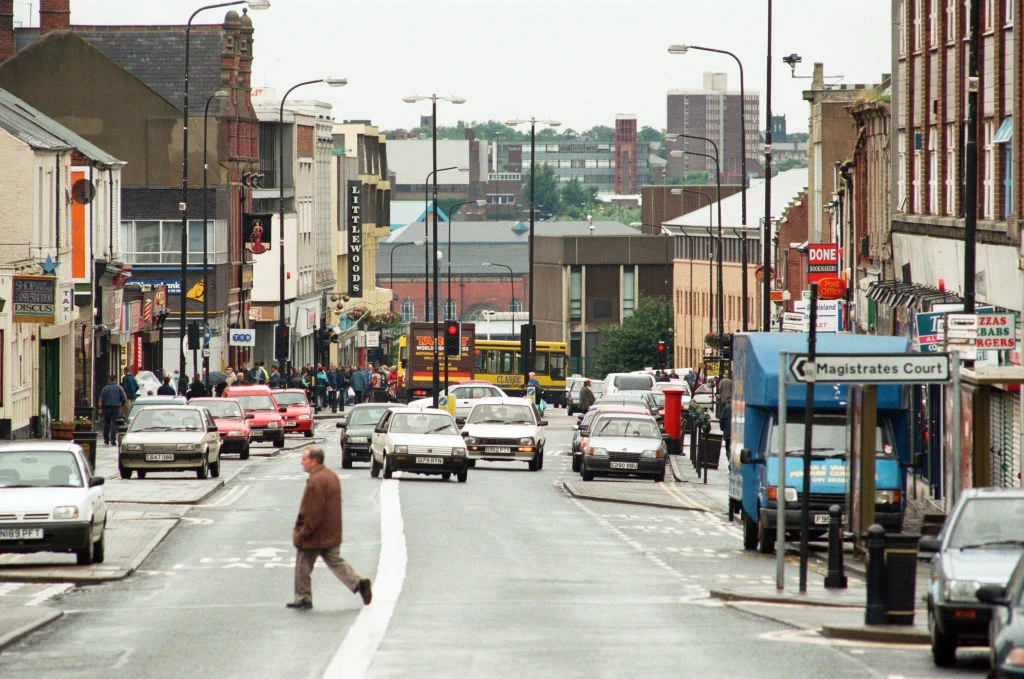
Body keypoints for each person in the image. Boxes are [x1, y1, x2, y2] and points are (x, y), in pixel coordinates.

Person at [287, 445, 372, 610]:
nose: (301, 462)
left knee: (303, 564)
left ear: (314, 461)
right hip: (331, 531)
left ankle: (303, 597)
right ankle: (358, 584)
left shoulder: (315, 481)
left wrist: (303, 533)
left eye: (304, 459)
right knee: (335, 561)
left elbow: (313, 512)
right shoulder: (331, 476)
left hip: (315, 534)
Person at [99, 374, 127, 446]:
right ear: (115, 379)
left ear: (109, 379)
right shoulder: (119, 388)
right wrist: (122, 405)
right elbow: (123, 398)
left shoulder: (105, 388)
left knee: (106, 423)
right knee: (114, 424)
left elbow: (101, 399)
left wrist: (101, 408)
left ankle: (106, 440)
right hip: (116, 407)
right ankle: (113, 440)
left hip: (107, 407)